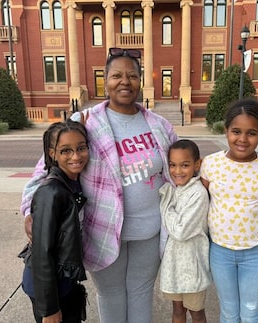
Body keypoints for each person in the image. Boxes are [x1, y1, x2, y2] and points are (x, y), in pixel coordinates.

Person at [20, 47, 178, 323]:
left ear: (141, 80)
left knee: (141, 291)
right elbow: (46, 168)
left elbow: (178, 170)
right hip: (102, 230)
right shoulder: (85, 122)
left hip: (150, 230)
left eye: (132, 75)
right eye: (116, 75)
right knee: (111, 293)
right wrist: (28, 209)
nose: (124, 81)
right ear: (105, 80)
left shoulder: (160, 125)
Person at [200, 98, 258, 323]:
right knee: (229, 312)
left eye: (251, 133)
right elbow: (199, 208)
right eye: (236, 131)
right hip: (220, 253)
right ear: (226, 130)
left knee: (251, 312)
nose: (242, 139)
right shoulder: (210, 165)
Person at [20, 120, 89, 323]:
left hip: (63, 282)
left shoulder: (72, 183)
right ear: (52, 154)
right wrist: (49, 308)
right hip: (48, 288)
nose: (76, 156)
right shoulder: (51, 192)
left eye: (81, 148)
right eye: (66, 151)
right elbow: (42, 252)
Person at [159, 139, 211, 323]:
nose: (177, 171)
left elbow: (180, 231)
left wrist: (166, 208)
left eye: (185, 165)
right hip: (174, 266)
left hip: (192, 267)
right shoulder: (175, 189)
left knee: (196, 312)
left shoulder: (198, 193)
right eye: (173, 165)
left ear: (197, 164)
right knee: (178, 310)